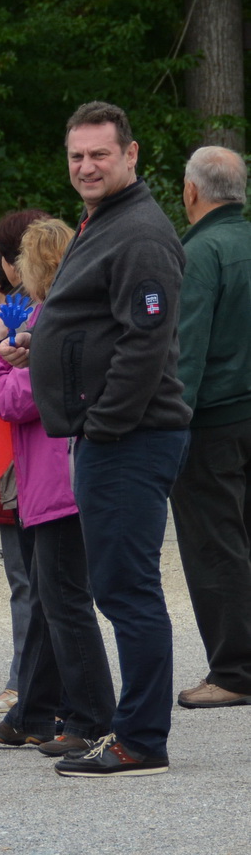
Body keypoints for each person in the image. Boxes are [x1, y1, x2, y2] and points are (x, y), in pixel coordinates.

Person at [21, 101, 191, 777]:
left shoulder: (142, 234)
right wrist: (44, 348)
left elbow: (145, 345)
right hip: (113, 435)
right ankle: (131, 727)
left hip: (130, 438)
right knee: (119, 585)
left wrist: (104, 424)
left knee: (126, 589)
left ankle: (141, 737)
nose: (86, 166)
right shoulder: (105, 221)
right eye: (76, 156)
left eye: (99, 154)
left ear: (131, 155)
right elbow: (100, 324)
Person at [0, 220, 116, 758]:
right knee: (48, 602)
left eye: (21, 261)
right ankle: (37, 713)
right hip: (49, 480)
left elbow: (20, 398)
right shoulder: (49, 316)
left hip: (59, 481)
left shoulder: (58, 318)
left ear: (36, 265)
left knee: (63, 603)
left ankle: (89, 717)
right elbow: (19, 383)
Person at [170, 146, 251, 710]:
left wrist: (169, 424)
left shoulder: (200, 252)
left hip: (215, 419)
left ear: (191, 191)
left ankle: (234, 671)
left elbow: (186, 351)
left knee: (215, 544)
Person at [0, 211, 49, 716]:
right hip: (41, 466)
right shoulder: (40, 311)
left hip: (30, 467)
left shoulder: (32, 312)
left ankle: (28, 685)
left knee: (33, 581)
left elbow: (13, 396)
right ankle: (35, 687)